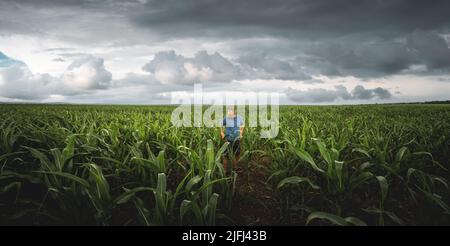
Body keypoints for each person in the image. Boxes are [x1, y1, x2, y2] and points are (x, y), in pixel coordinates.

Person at [220, 107, 244, 173]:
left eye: (230, 113)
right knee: (226, 155)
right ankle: (224, 170)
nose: (229, 115)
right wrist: (222, 132)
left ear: (234, 112)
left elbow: (242, 125)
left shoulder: (239, 118)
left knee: (237, 153)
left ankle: (235, 167)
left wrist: (241, 133)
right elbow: (221, 125)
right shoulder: (226, 118)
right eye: (228, 113)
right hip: (228, 140)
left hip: (237, 139)